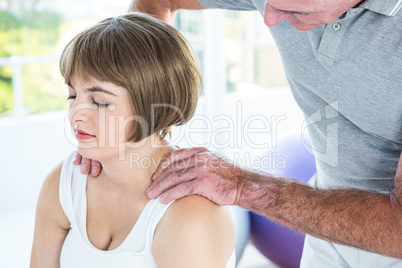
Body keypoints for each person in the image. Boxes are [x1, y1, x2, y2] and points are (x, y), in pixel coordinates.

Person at [108, 0, 400, 267]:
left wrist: (241, 186)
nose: (269, 18)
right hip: (327, 234)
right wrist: (128, 137)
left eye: (293, 7)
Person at [30, 12, 236, 268]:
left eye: (100, 102)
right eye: (72, 96)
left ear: (151, 104)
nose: (75, 115)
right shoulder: (64, 185)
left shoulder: (190, 215)